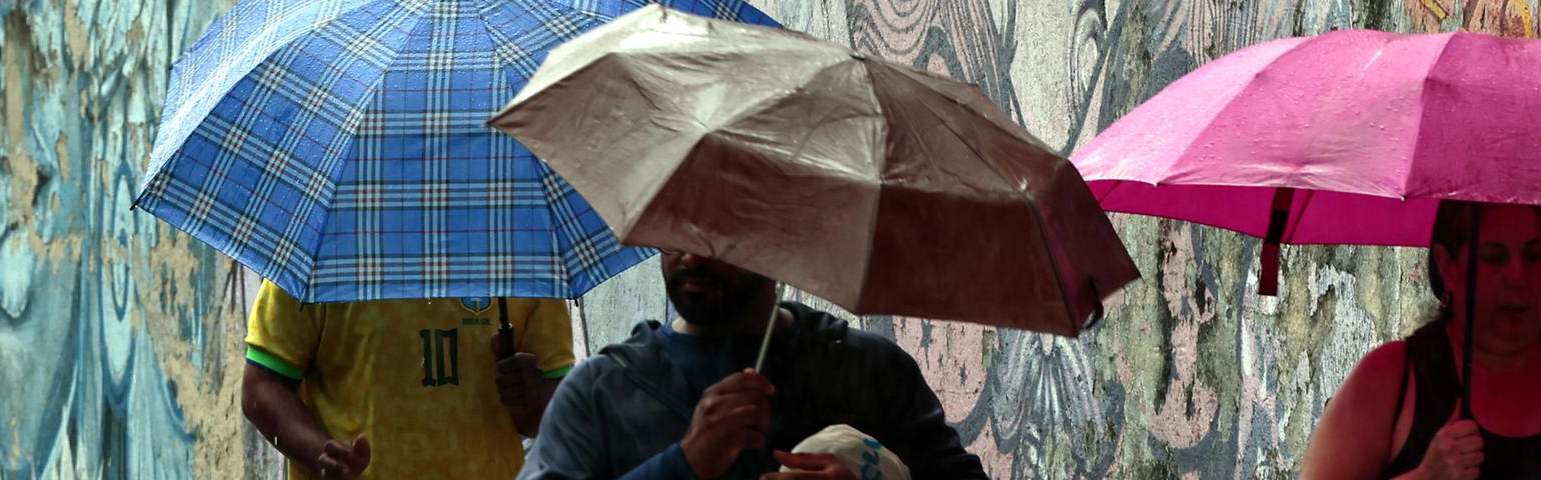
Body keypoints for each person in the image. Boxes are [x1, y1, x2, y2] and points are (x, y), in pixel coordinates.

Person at [518, 249, 989, 479]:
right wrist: (683, 464)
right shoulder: (602, 393)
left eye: (716, 225)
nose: (691, 254)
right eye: (674, 224)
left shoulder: (866, 369)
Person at [1301, 202, 1541, 480]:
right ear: (1447, 266)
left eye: (1534, 256)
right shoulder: (1389, 381)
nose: (1518, 278)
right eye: (1493, 257)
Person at [242, 280, 574, 479]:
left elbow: (554, 410)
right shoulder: (324, 252)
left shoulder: (520, 250)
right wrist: (323, 455)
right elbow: (261, 387)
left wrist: (531, 395)